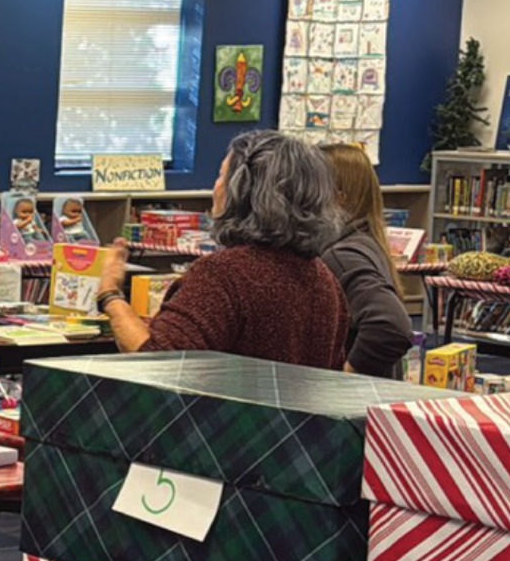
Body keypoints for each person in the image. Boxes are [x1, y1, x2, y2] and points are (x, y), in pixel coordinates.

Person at [95, 131, 349, 368]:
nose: (214, 188)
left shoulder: (223, 274)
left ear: (241, 191)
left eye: (221, 176)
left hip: (222, 415)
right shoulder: (325, 280)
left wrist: (110, 295)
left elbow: (158, 360)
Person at [318, 143, 414, 377]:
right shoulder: (363, 242)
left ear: (338, 198)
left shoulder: (342, 255)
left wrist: (345, 379)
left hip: (353, 405)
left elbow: (392, 326)